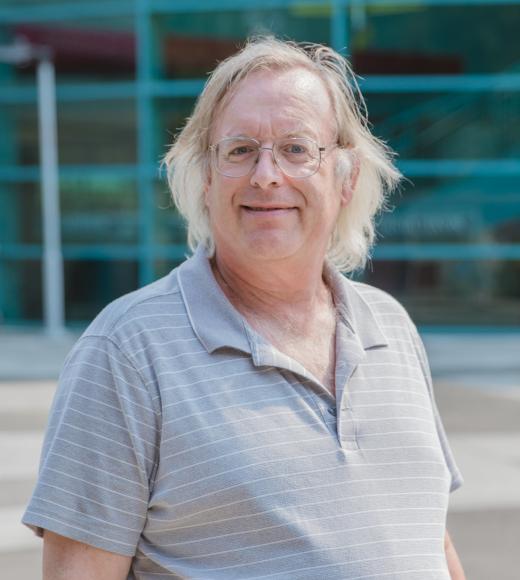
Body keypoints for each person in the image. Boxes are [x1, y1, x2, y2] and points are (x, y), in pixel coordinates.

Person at [23, 37, 466, 579]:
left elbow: (428, 540)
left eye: (297, 149)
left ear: (346, 178)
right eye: (239, 150)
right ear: (206, 178)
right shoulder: (126, 350)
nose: (266, 175)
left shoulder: (391, 327)